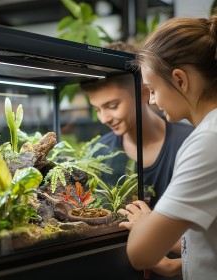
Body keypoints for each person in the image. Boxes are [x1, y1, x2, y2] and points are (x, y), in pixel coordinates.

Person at [122, 15, 217, 280]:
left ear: (179, 80)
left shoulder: (207, 141)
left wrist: (144, 226)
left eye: (152, 89)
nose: (151, 101)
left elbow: (140, 254)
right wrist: (178, 264)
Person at [80, 41, 194, 208]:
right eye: (97, 109)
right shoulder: (99, 152)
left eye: (112, 106)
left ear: (143, 92)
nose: (104, 119)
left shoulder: (189, 142)